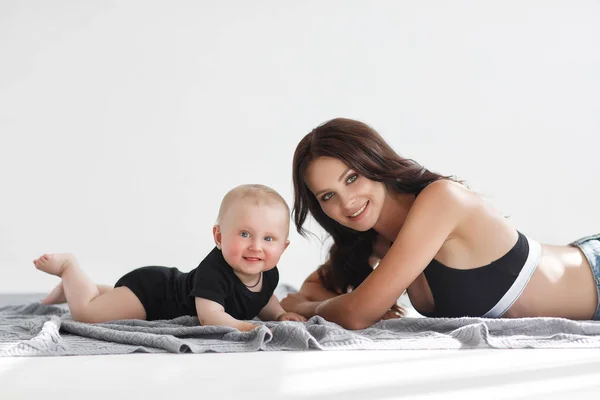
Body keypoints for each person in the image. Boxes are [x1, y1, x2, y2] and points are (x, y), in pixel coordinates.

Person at [280, 117, 599, 330]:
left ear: (374, 163)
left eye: (352, 178)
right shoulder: (374, 240)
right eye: (327, 196)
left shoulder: (442, 200)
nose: (346, 203)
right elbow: (312, 289)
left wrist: (309, 309)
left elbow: (355, 313)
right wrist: (311, 302)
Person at [34, 184, 306, 332]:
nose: (256, 247)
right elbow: (210, 317)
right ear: (219, 237)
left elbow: (264, 298)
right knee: (87, 314)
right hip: (151, 295)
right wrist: (244, 327)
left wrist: (280, 314)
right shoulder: (215, 270)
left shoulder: (268, 273)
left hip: (156, 288)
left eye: (268, 239)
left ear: (283, 247)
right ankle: (69, 269)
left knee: (109, 301)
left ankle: (89, 289)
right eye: (245, 234)